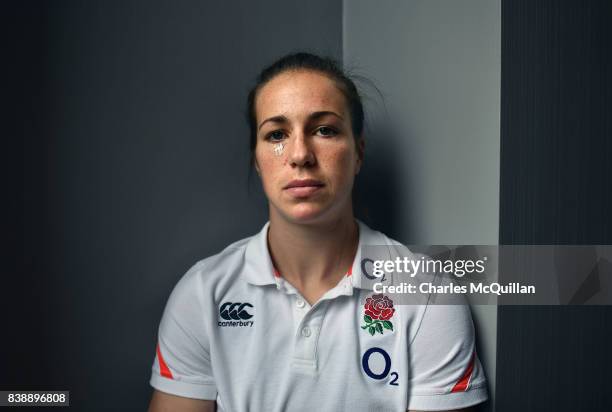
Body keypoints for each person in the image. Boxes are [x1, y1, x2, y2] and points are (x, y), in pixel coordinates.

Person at [148, 52, 488, 412]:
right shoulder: (202, 294)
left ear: (358, 153)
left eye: (324, 130)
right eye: (277, 134)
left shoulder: (427, 296)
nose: (299, 155)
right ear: (257, 161)